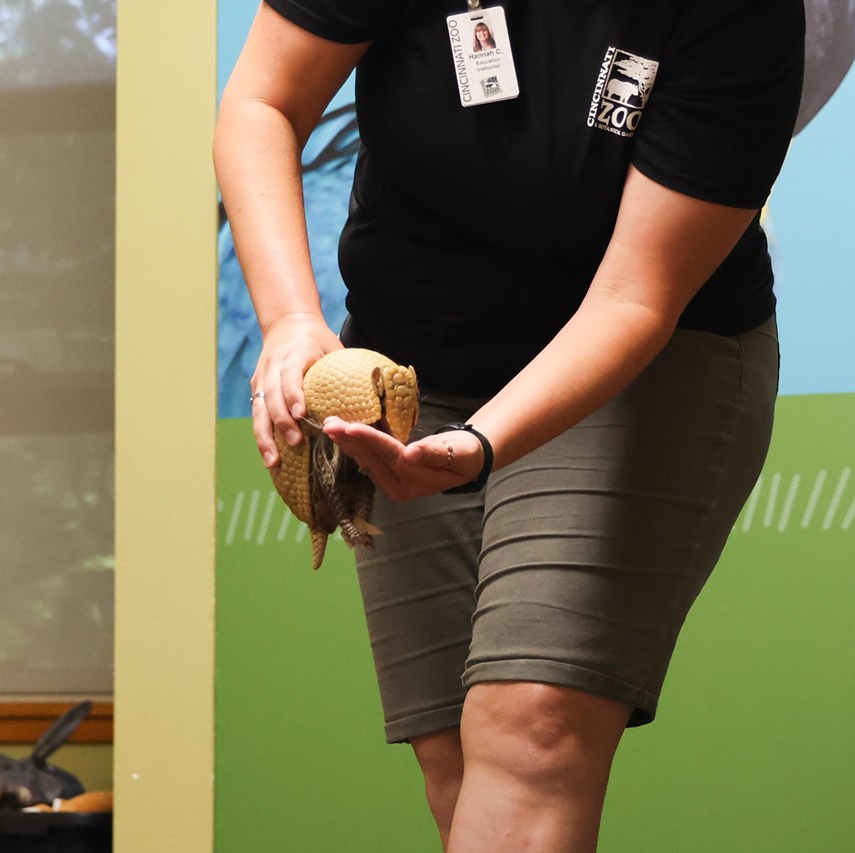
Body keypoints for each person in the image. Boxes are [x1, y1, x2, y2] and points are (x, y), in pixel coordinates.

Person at [214, 1, 804, 850]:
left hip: (640, 366)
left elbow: (637, 298)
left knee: (533, 729)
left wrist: (485, 445)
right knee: (456, 756)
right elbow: (261, 103)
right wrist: (290, 322)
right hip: (415, 368)